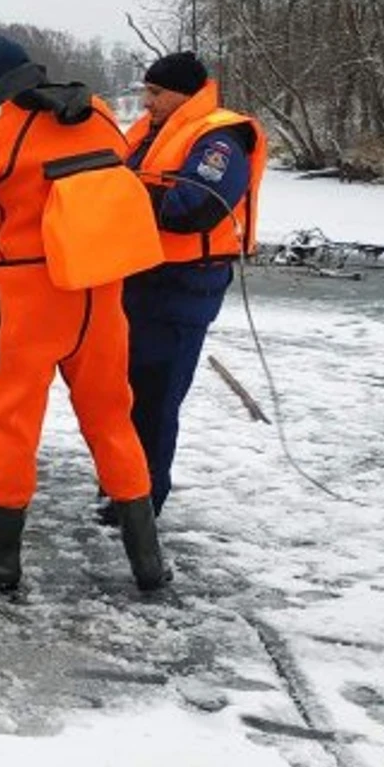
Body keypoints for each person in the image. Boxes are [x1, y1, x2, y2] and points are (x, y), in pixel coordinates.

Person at [0, 36, 169, 591]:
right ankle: (148, 562)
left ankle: (3, 556)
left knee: (13, 423)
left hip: (29, 292)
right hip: (100, 288)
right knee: (112, 419)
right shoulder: (93, 111)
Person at [111, 51, 267, 519]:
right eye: (145, 91)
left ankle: (143, 503)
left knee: (157, 400)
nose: (147, 102)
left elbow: (195, 205)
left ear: (185, 93)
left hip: (183, 287)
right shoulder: (150, 134)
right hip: (139, 277)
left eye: (156, 93)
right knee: (127, 393)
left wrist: (119, 195)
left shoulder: (220, 137)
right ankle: (124, 490)